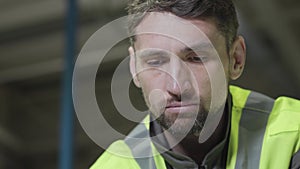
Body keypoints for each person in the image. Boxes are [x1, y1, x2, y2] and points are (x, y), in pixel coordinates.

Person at [91, 0, 300, 168]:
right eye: (155, 62)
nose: (177, 86)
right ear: (135, 68)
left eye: (195, 58)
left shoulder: (293, 133)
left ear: (236, 59)